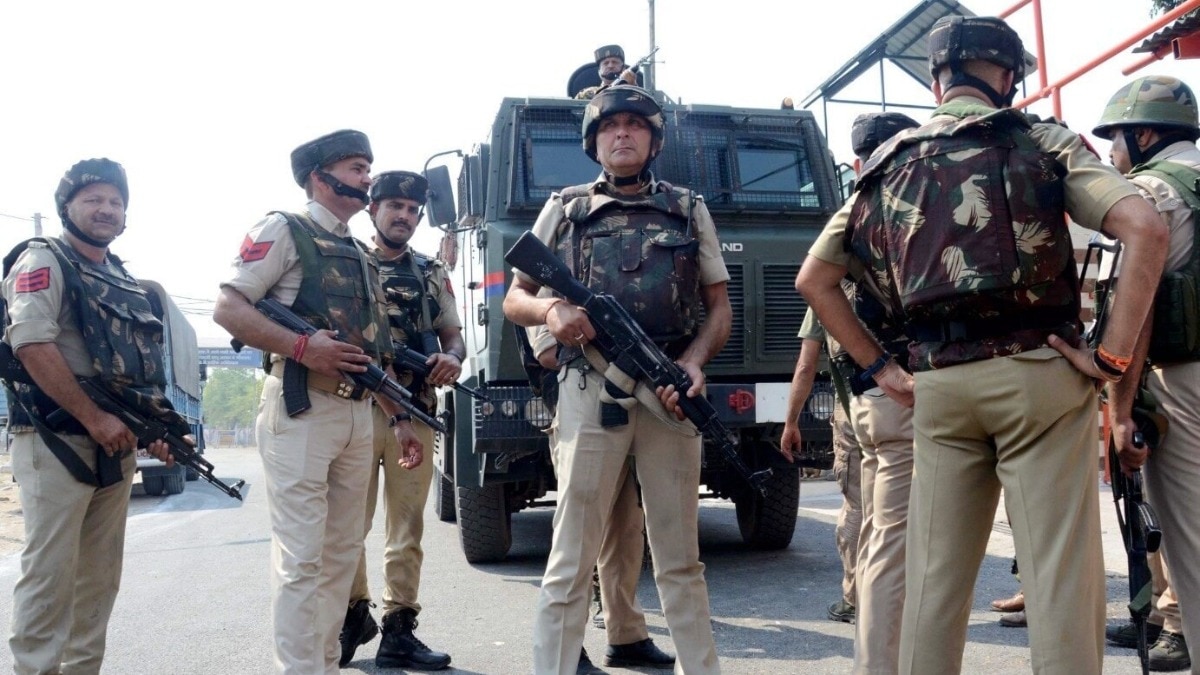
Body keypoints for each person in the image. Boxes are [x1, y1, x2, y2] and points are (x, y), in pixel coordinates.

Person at [796, 15, 1167, 675]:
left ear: (938, 78)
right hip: (1040, 373)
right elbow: (1142, 226)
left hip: (938, 384)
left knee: (933, 588)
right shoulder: (1038, 140)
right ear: (1004, 75)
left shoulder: (888, 164)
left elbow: (815, 280)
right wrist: (1110, 358)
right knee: (1059, 581)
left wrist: (881, 367)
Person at [504, 83, 730, 675]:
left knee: (680, 558)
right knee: (571, 553)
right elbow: (516, 299)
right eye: (610, 127)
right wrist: (553, 313)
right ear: (594, 142)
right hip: (589, 390)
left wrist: (696, 362)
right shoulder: (567, 207)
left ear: (654, 140)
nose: (622, 134)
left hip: (670, 397)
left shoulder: (688, 207)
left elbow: (719, 308)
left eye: (635, 125)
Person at [213, 130, 418, 674]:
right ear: (317, 176)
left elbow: (376, 350)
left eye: (367, 167)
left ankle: (323, 664)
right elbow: (229, 308)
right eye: (355, 167)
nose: (366, 178)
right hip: (302, 409)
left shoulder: (359, 253)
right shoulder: (283, 228)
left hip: (357, 413)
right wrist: (303, 346)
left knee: (339, 558)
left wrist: (398, 415)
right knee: (302, 558)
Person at [3, 158, 175, 674]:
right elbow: (30, 344)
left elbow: (137, 373)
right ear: (66, 207)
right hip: (57, 439)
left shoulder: (121, 277)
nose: (107, 209)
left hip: (115, 445)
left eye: (116, 201)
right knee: (50, 575)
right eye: (94, 199)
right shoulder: (43, 259)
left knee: (98, 580)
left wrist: (157, 432)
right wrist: (94, 417)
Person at [333, 170, 461, 670]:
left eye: (412, 210)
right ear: (373, 210)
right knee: (347, 526)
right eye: (394, 207)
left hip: (417, 412)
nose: (403, 216)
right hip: (355, 413)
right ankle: (354, 612)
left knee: (406, 528)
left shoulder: (430, 272)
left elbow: (452, 334)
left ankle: (398, 629)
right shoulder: (347, 265)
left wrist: (452, 357)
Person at [1094, 73, 1200, 674]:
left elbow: (1133, 314)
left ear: (1145, 133)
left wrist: (1123, 410)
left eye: (1116, 139)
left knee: (1191, 549)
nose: (1111, 153)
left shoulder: (1152, 192)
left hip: (1183, 381)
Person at [527, 329, 676, 673]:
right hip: (578, 410)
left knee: (626, 529)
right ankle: (569, 649)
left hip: (622, 408)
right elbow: (550, 353)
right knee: (578, 538)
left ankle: (627, 636)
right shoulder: (550, 289)